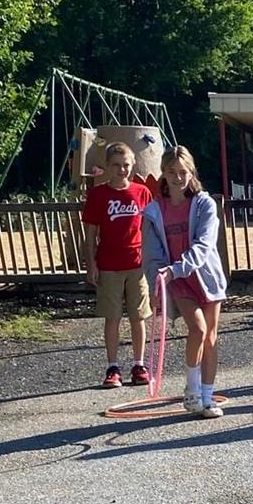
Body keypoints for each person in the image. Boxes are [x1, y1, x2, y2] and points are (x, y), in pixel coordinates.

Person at [142, 145, 227, 418]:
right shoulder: (154, 211)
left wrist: (178, 268)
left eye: (183, 172)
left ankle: (207, 397)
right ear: (163, 174)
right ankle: (191, 388)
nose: (178, 177)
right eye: (171, 172)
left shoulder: (204, 204)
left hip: (206, 278)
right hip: (177, 281)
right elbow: (151, 254)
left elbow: (204, 246)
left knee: (211, 338)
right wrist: (158, 281)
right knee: (198, 330)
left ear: (192, 173)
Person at [80, 141, 154, 388]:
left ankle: (139, 364)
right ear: (107, 167)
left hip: (137, 264)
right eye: (116, 165)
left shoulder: (142, 193)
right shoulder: (98, 194)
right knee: (112, 317)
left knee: (138, 316)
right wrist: (91, 264)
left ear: (133, 165)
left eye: (125, 165)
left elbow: (151, 229)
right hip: (109, 264)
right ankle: (112, 366)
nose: (121, 170)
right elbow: (90, 234)